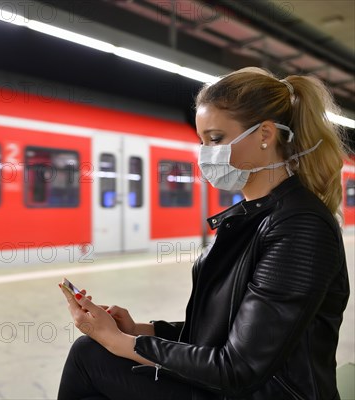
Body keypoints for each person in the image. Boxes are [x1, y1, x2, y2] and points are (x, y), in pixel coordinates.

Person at [57, 67, 350, 400]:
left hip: (263, 392)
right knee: (89, 353)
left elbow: (237, 366)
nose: (206, 153)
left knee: (89, 358)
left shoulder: (300, 227)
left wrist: (120, 342)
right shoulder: (254, 217)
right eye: (202, 141)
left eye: (215, 139)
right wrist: (141, 330)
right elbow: (226, 332)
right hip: (239, 389)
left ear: (265, 135)